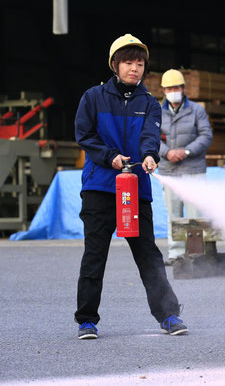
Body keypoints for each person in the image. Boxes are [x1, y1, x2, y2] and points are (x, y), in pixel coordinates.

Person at [74, 34, 187, 339]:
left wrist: (149, 156)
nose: (134, 68)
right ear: (115, 65)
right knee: (95, 254)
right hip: (99, 188)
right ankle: (87, 319)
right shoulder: (93, 98)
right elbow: (85, 136)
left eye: (139, 63)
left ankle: (169, 316)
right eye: (128, 62)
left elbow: (150, 136)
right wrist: (109, 157)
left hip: (136, 189)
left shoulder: (150, 103)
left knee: (148, 253)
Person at [158, 69, 213, 264]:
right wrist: (167, 152)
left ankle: (196, 254)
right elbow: (150, 138)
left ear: (183, 88)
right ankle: (175, 254)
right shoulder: (157, 111)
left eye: (176, 87)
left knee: (194, 214)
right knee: (173, 214)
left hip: (193, 170)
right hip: (169, 171)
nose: (172, 91)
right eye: (168, 88)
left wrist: (186, 151)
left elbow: (206, 136)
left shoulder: (196, 110)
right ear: (163, 90)